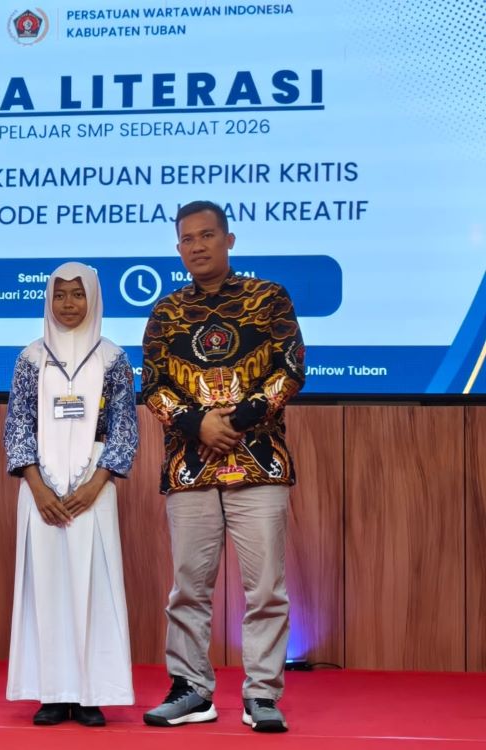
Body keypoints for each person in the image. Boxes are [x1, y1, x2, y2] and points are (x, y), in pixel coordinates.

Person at [140, 201, 305, 733]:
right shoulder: (166, 311)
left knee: (266, 589)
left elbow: (291, 368)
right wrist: (197, 424)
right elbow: (152, 384)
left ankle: (262, 694)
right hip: (190, 466)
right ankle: (191, 690)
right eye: (187, 239)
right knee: (188, 588)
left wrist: (239, 418)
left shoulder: (269, 297)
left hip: (259, 462)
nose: (198, 246)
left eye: (207, 235)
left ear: (229, 240)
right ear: (178, 248)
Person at [4, 263, 138, 727]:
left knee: (94, 584)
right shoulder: (31, 357)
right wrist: (37, 487)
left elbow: (124, 428)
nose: (67, 303)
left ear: (93, 298)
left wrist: (97, 484)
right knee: (44, 586)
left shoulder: (113, 358)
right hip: (39, 487)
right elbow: (17, 426)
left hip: (93, 487)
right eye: (59, 294)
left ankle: (89, 693)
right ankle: (51, 692)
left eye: (77, 294)